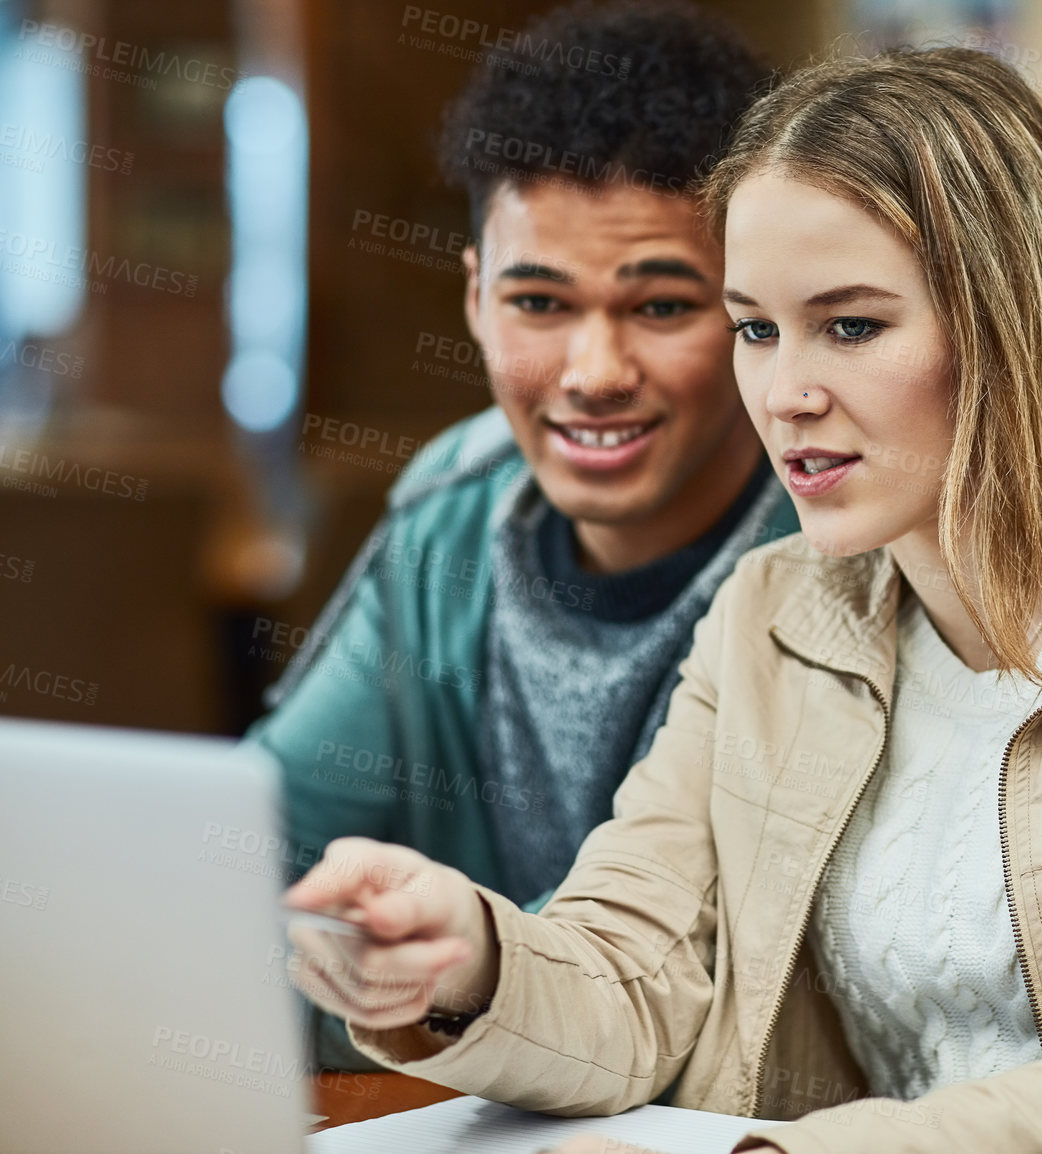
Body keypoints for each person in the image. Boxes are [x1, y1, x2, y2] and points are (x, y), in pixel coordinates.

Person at [286, 46, 1042, 1153]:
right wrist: (470, 962)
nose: (784, 394)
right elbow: (636, 970)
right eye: (756, 329)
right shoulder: (773, 605)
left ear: (1010, 324)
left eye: (852, 326)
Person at [250, 0, 794, 1068]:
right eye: (539, 302)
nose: (591, 373)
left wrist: (415, 988)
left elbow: (687, 973)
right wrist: (379, 983)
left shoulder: (826, 554)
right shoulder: (451, 509)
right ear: (475, 298)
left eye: (660, 307)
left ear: (752, 309)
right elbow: (252, 858)